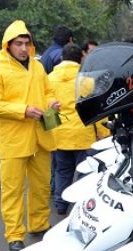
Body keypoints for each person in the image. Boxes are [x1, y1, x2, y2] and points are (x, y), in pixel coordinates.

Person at [0, 20, 60, 251]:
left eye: (27, 43)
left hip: (41, 135)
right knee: (13, 190)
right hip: (14, 139)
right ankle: (14, 234)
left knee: (40, 186)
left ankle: (39, 225)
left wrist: (51, 103)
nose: (24, 48)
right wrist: (22, 110)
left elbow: (48, 91)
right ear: (8, 44)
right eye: (19, 43)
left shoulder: (37, 67)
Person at [48, 43, 99, 216]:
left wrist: (50, 132)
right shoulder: (87, 80)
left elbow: (47, 108)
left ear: (62, 58)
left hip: (59, 134)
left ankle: (60, 205)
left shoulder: (49, 79)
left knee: (62, 171)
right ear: (81, 58)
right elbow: (96, 109)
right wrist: (102, 133)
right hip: (83, 134)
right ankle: (80, 205)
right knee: (84, 172)